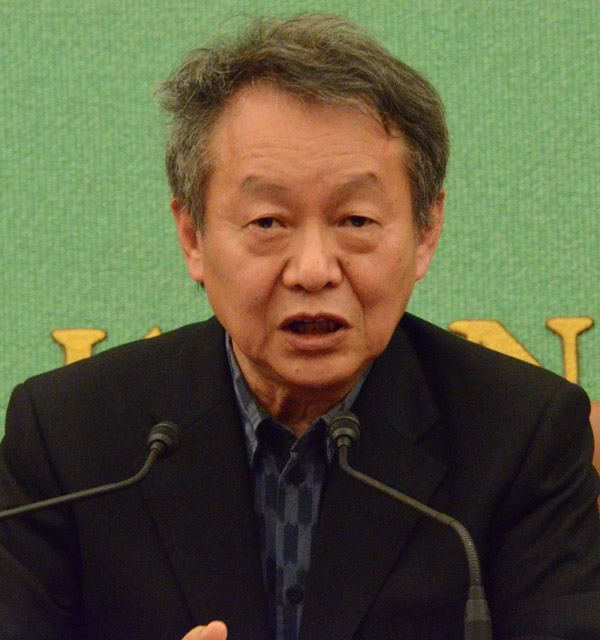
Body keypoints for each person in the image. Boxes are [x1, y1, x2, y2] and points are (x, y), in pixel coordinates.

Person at [1, 14, 599, 640]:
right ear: (192, 237)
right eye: (268, 222)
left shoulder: (522, 436)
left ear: (425, 232)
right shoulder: (69, 437)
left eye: (356, 220)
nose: (314, 270)